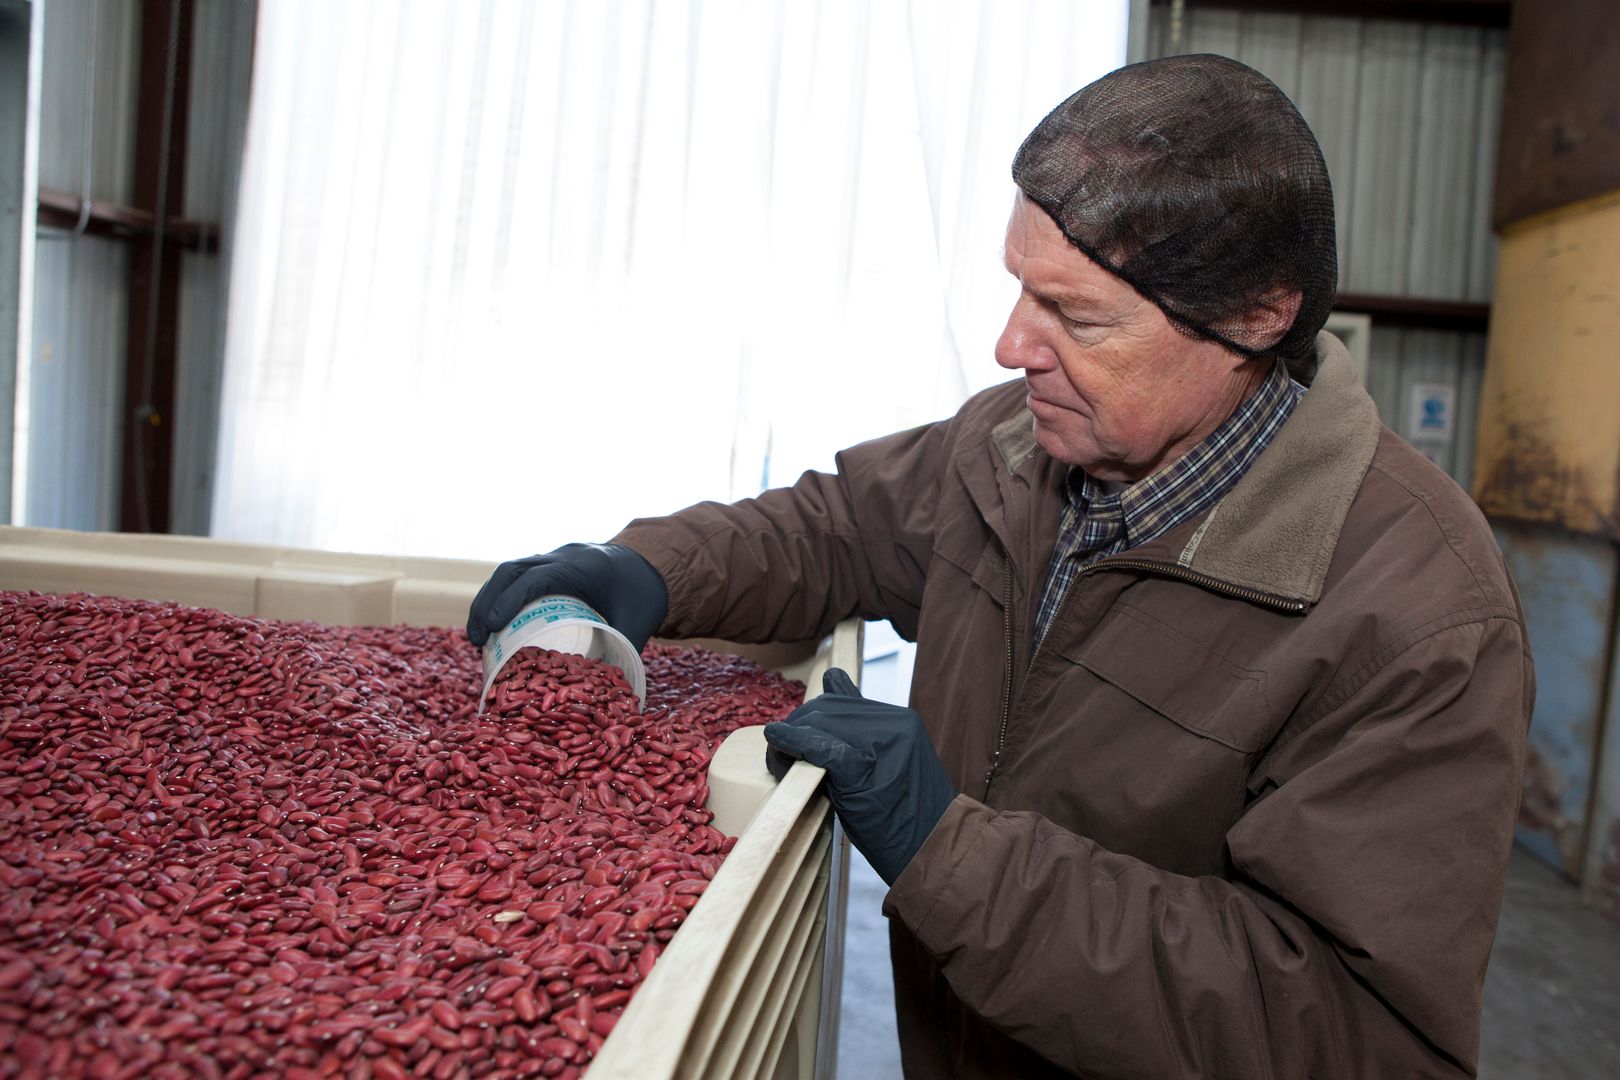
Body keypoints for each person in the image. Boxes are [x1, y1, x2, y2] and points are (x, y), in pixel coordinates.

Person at [468, 55, 1533, 1079]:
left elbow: (1351, 1034)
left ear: (1257, 316)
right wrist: (647, 569)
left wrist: (951, 856)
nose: (1012, 345)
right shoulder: (1017, 444)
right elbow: (841, 529)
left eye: (1076, 315)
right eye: (1022, 288)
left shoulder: (1414, 613)